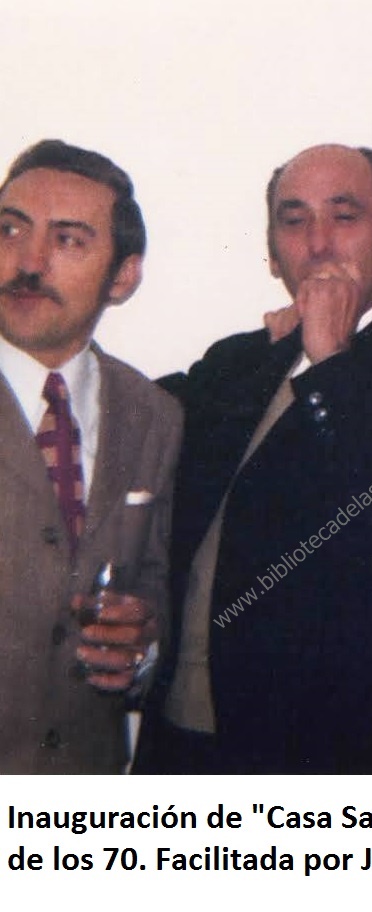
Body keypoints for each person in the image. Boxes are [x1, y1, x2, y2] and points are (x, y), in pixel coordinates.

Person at [136, 144, 372, 774]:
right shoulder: (238, 361)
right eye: (294, 221)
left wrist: (331, 364)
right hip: (180, 742)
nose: (317, 243)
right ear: (272, 252)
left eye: (344, 216)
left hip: (325, 759)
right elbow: (131, 420)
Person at [0, 139, 181, 773]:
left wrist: (141, 647)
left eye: (69, 240)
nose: (28, 262)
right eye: (11, 230)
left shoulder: (153, 415)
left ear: (123, 276)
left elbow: (151, 583)